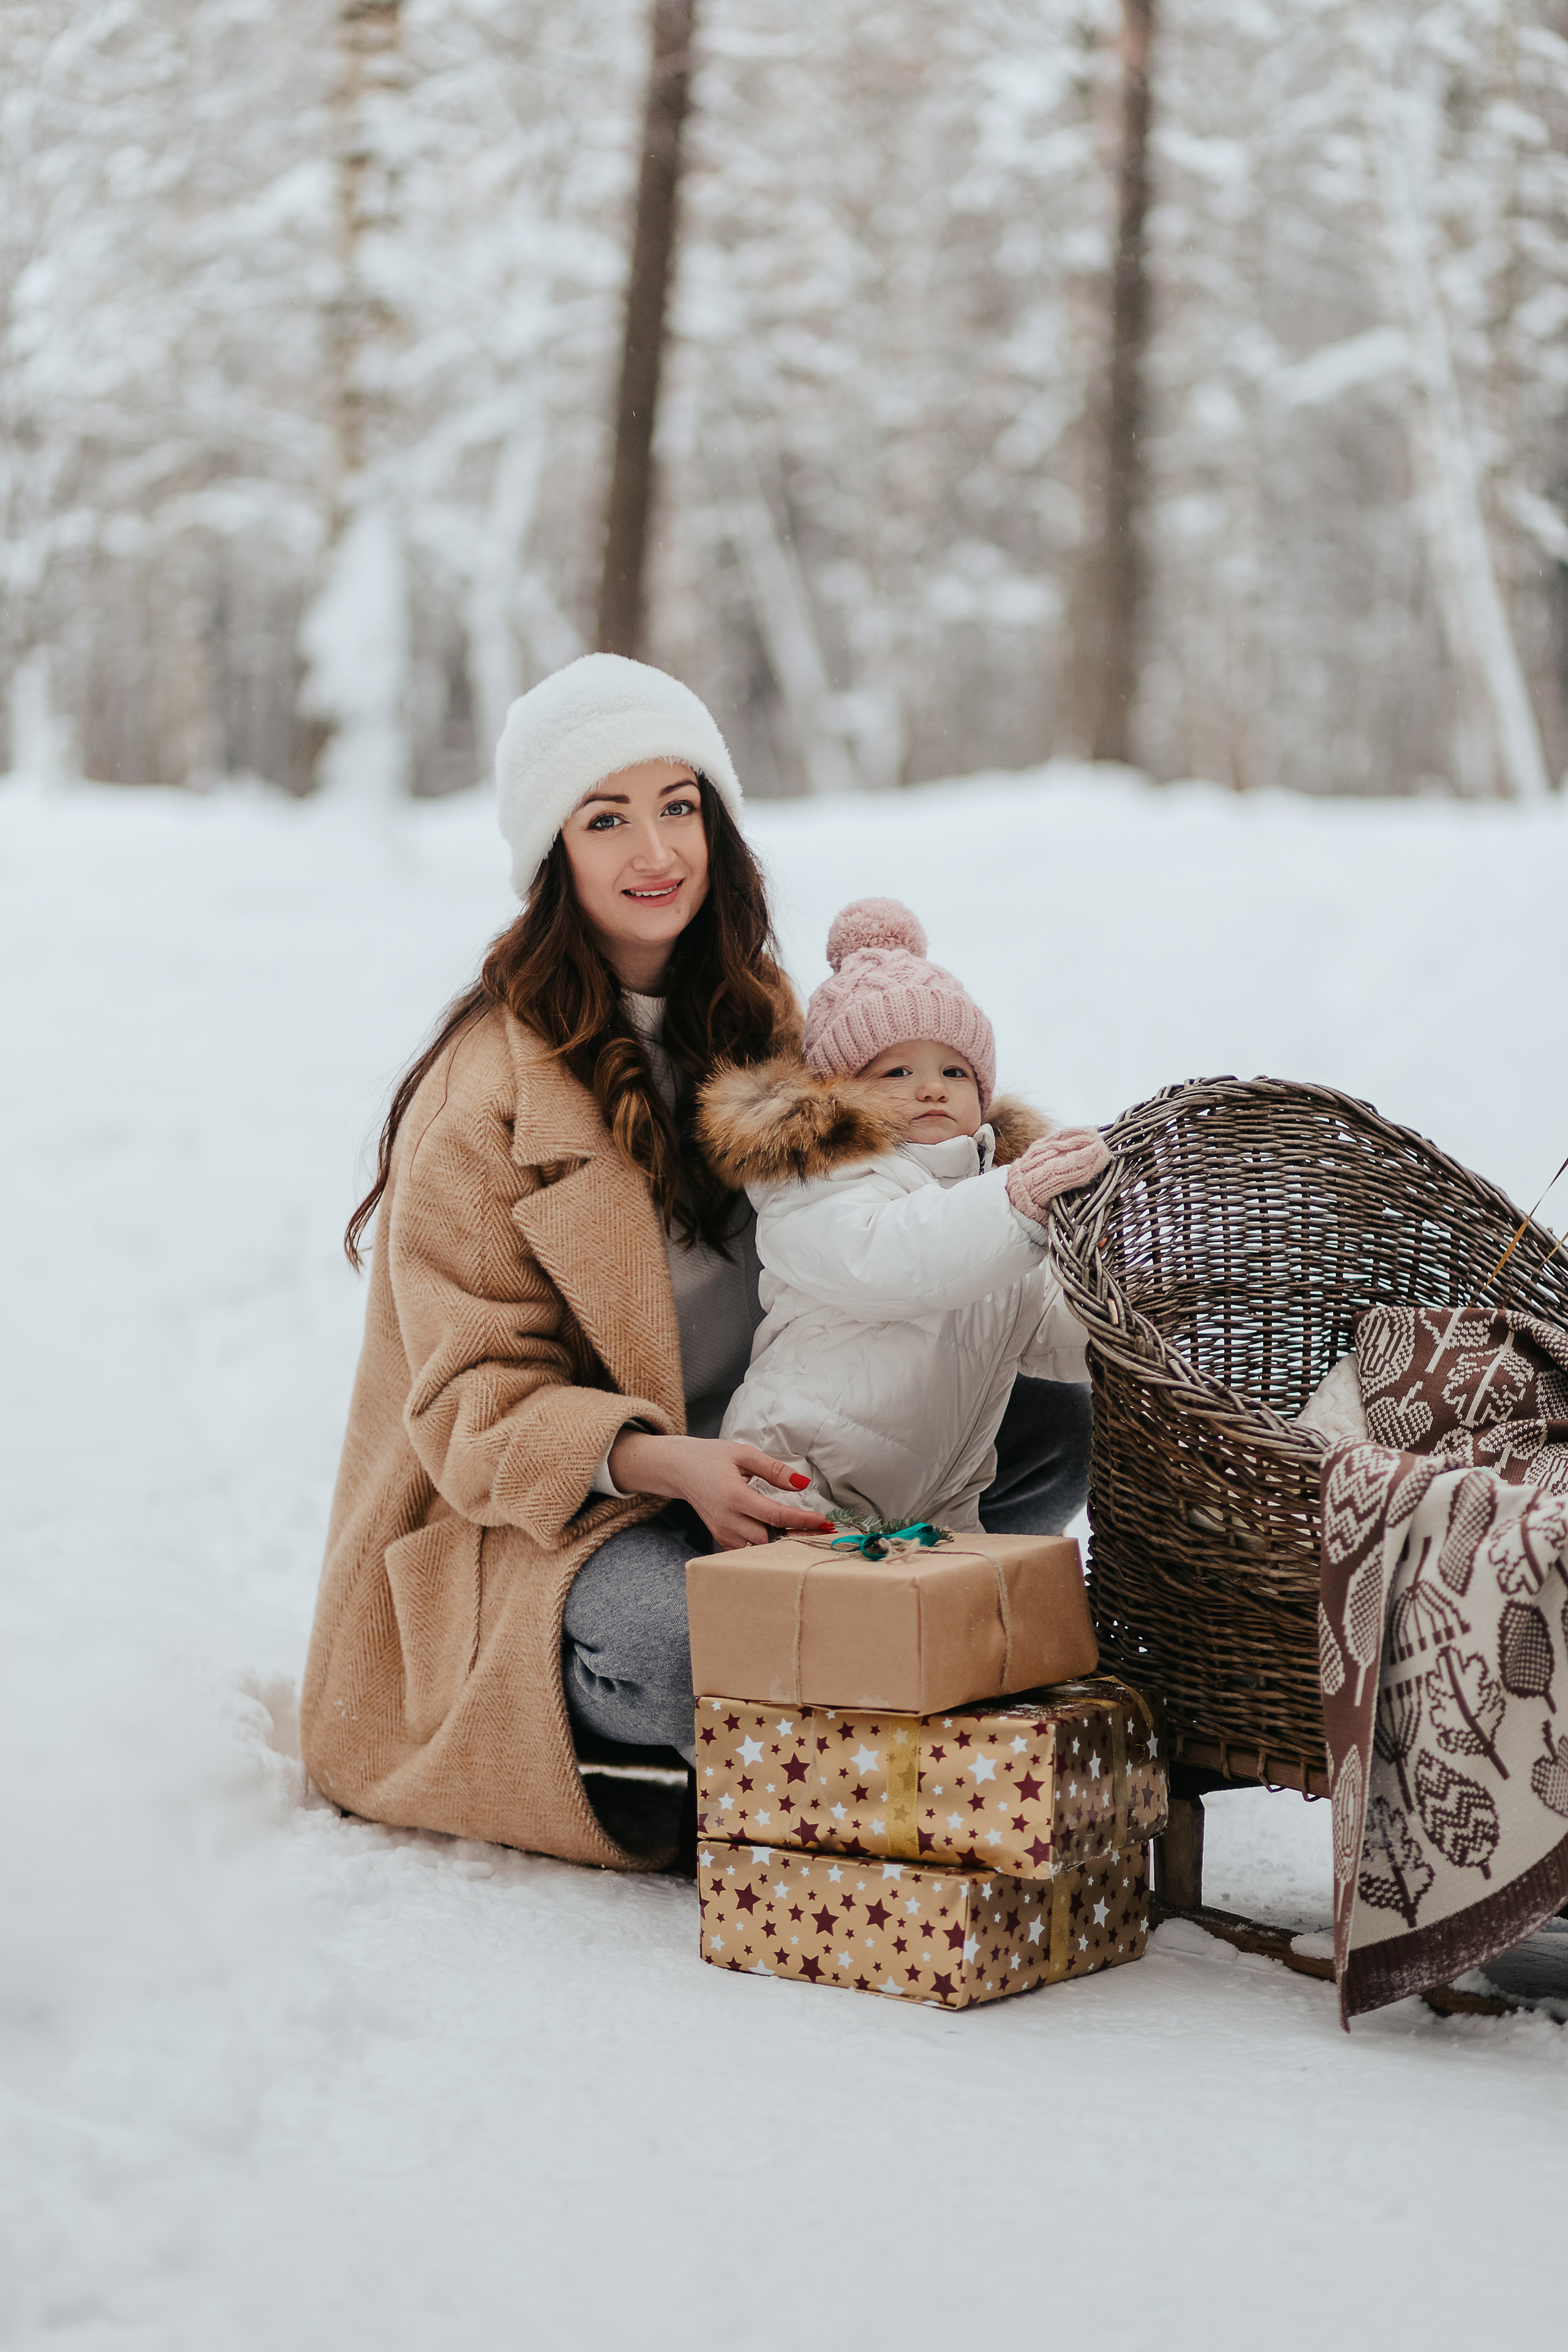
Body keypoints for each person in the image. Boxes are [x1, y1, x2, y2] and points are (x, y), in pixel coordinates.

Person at [301, 657, 1095, 1871]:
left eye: (677, 805)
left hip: (778, 1448)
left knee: (1057, 1429)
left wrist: (1020, 1183)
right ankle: (856, 1747)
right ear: (552, 855)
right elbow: (469, 1415)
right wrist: (670, 1464)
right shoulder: (482, 1098)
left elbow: (898, 1191)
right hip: (568, 1514)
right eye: (603, 818)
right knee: (674, 1641)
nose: (652, 849)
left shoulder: (763, 1016)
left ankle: (873, 1692)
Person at [701, 897, 1107, 1532]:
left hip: (938, 1506)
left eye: (954, 1070)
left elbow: (1043, 1328)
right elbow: (894, 1258)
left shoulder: (989, 1202)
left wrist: (1128, 1306)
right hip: (797, 1486)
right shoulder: (818, 1183)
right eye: (898, 1071)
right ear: (841, 1090)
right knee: (813, 1624)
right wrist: (1015, 1204)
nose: (931, 1087)